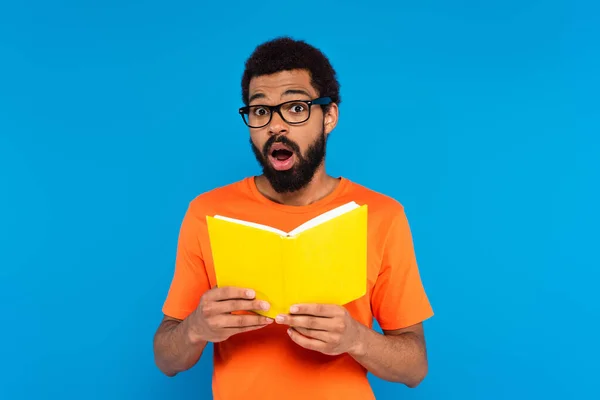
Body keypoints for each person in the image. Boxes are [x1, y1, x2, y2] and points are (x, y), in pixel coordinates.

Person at [153, 37, 434, 400]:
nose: (275, 126)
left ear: (329, 115)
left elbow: (415, 369)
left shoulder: (382, 215)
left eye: (296, 107)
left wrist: (355, 339)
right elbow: (166, 360)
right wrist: (194, 328)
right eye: (260, 111)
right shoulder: (206, 212)